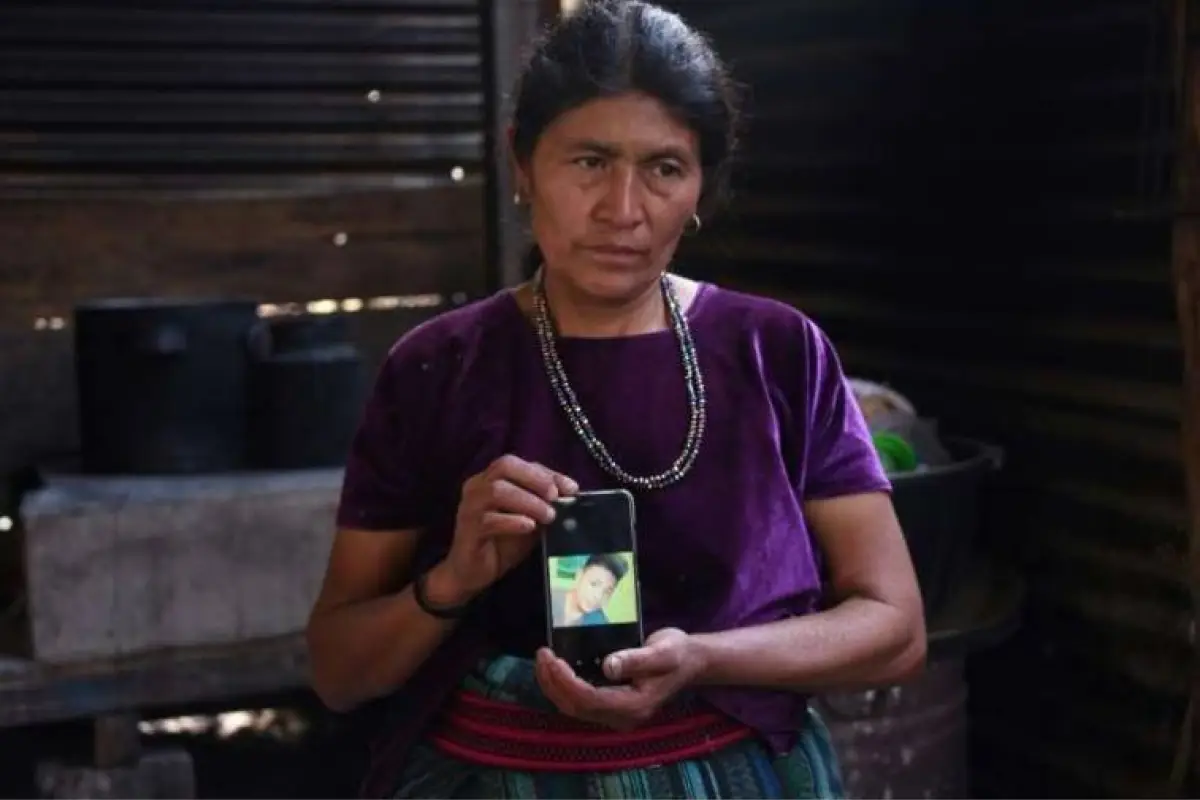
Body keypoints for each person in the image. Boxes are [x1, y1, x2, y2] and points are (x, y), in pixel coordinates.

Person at [305, 1, 926, 797]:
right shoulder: (439, 366)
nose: (622, 211)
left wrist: (706, 657)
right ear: (522, 164)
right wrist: (450, 581)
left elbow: (894, 625)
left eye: (665, 168)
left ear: (701, 184)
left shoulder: (777, 351)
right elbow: (338, 671)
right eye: (589, 161)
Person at [551, 553, 630, 627]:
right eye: (594, 584)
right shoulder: (550, 598)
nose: (598, 596)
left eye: (607, 591)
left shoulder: (600, 622)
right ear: (579, 576)